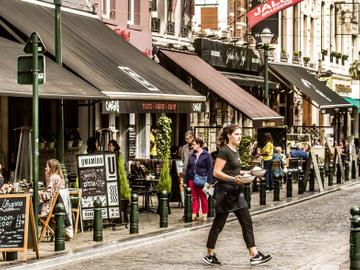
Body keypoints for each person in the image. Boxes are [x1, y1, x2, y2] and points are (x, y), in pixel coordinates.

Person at [203, 124, 271, 266]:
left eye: (240, 134)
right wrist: (233, 179)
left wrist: (249, 173)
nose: (239, 137)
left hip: (236, 193)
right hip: (225, 193)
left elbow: (233, 170)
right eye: (236, 134)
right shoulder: (224, 151)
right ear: (229, 135)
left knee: (247, 222)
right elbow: (216, 172)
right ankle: (210, 254)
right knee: (218, 225)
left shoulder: (235, 150)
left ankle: (254, 254)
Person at [184, 137, 213, 222]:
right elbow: (188, 168)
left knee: (203, 197)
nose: (192, 146)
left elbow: (210, 169)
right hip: (191, 179)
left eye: (193, 144)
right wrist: (185, 181)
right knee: (194, 197)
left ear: (199, 144)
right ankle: (194, 213)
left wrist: (209, 182)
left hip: (202, 179)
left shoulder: (207, 155)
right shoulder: (192, 155)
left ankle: (204, 214)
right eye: (192, 145)